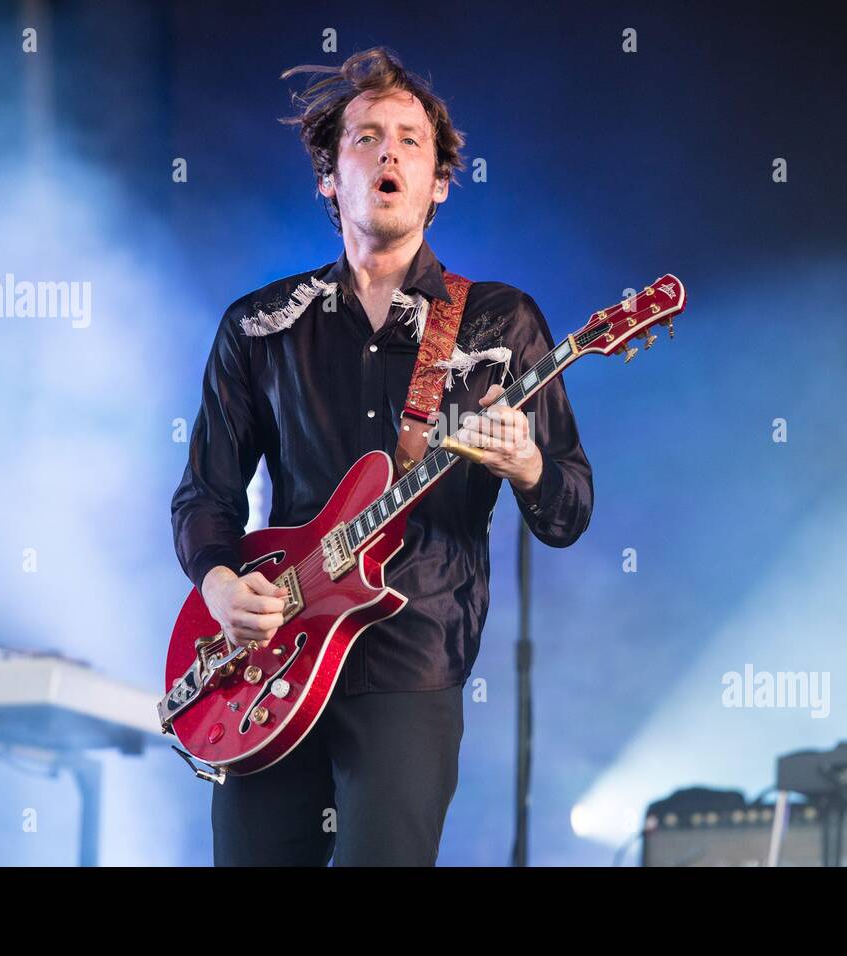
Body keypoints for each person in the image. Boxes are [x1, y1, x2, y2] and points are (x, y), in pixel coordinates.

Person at [171, 46, 592, 866]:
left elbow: (571, 504)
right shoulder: (261, 325)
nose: (389, 151)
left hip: (411, 657)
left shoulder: (497, 325)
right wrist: (221, 586)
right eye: (366, 137)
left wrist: (527, 467)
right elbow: (205, 497)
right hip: (271, 659)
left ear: (438, 182)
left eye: (410, 139)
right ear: (331, 177)